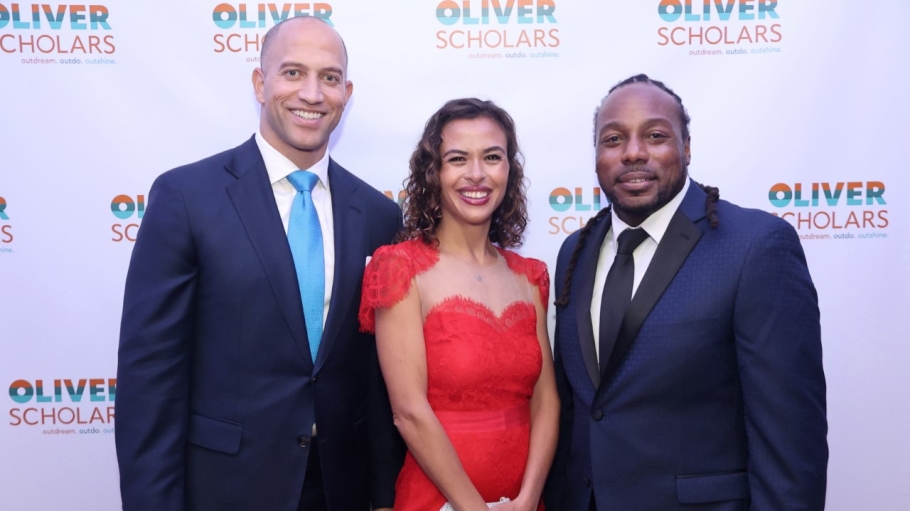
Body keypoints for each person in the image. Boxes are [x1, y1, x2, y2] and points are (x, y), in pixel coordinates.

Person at [115, 17, 404, 511]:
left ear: (346, 92)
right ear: (259, 82)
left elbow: (379, 383)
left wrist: (383, 495)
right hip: (224, 488)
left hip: (341, 489)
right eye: (293, 73)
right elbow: (150, 381)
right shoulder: (187, 197)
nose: (312, 93)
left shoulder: (378, 215)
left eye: (329, 78)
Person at [544, 74, 828, 510]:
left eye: (655, 136)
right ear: (598, 155)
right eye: (613, 139)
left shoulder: (754, 246)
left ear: (687, 147)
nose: (633, 153)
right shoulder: (574, 252)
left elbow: (790, 440)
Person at [358, 98, 559, 511]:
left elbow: (547, 402)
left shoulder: (531, 275)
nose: (476, 174)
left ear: (509, 170)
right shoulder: (399, 268)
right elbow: (408, 411)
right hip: (436, 500)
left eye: (492, 157)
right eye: (457, 159)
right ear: (434, 173)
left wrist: (528, 499)